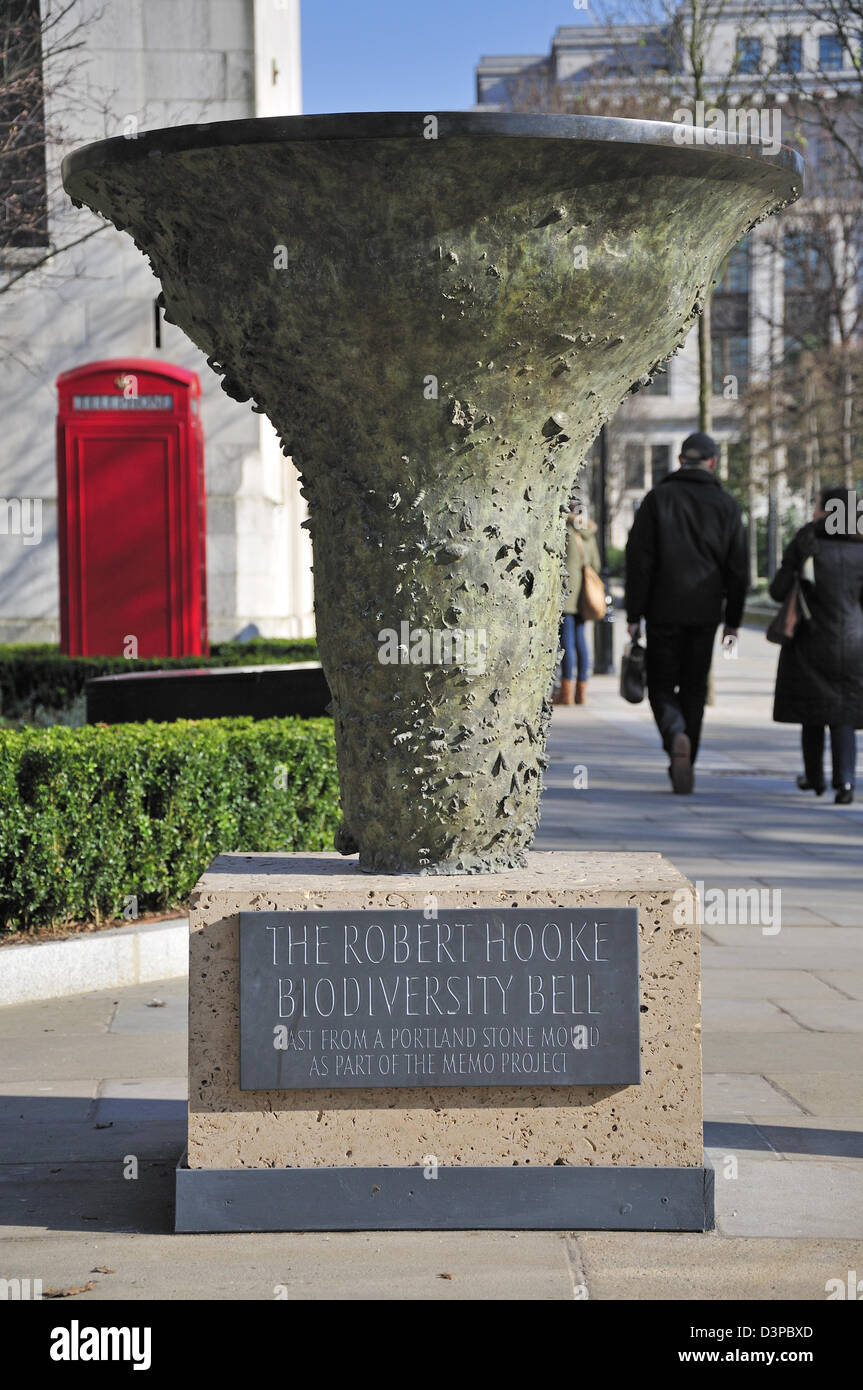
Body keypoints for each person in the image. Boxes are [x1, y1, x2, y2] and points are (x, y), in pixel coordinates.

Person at [624, 431, 747, 793]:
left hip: (662, 611)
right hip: (705, 613)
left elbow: (639, 562)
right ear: (713, 462)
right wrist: (733, 621)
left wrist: (634, 614)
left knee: (661, 685)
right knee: (694, 687)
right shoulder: (727, 506)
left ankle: (675, 735)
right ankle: (687, 757)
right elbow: (738, 569)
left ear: (680, 460)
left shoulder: (657, 499)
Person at [770, 486, 863, 804]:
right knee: (844, 712)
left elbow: (778, 591)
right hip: (853, 642)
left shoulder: (806, 543)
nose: (812, 512)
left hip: (810, 639)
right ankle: (846, 782)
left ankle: (814, 777)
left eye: (817, 506)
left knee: (812, 710)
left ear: (827, 511)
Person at [555, 506, 601, 705]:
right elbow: (596, 565)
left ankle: (566, 692)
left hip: (567, 593)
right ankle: (581, 690)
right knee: (581, 641)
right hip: (584, 595)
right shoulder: (589, 533)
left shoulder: (566, 530)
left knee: (567, 643)